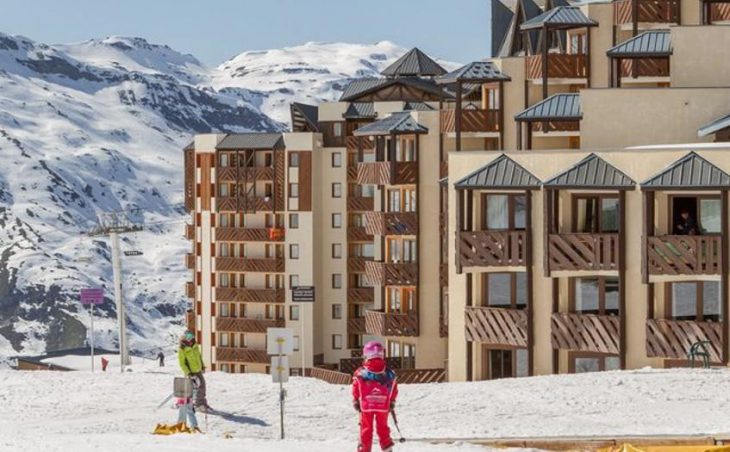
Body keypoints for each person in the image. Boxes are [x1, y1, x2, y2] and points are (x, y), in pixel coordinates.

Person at [352, 341, 398, 452]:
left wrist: (355, 400)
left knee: (366, 428)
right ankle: (387, 448)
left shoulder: (360, 372)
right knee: (383, 427)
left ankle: (364, 449)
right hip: (383, 405)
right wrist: (392, 401)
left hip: (366, 405)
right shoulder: (389, 373)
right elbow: (393, 388)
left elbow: (356, 387)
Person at [178, 331, 209, 411]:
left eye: (192, 337)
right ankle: (198, 404)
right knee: (195, 388)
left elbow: (198, 356)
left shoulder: (195, 345)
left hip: (197, 370)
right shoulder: (182, 348)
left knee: (201, 386)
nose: (191, 338)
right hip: (191, 372)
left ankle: (201, 403)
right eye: (189, 337)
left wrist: (202, 365)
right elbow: (182, 363)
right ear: (185, 337)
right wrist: (188, 373)